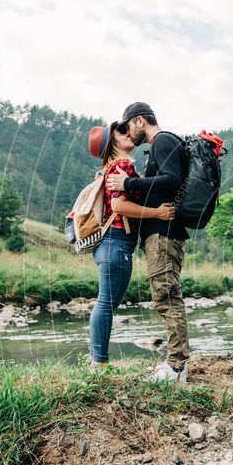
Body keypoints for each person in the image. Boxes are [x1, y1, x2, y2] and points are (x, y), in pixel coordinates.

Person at [106, 102, 190, 383]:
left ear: (139, 121)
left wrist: (127, 185)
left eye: (128, 126)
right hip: (163, 232)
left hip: (164, 233)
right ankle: (177, 367)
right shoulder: (163, 144)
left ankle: (176, 367)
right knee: (165, 296)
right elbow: (165, 182)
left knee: (167, 297)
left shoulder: (162, 141)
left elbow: (170, 180)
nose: (129, 133)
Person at [87, 121, 176, 369]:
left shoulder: (109, 169)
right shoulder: (122, 166)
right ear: (111, 143)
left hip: (109, 244)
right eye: (121, 132)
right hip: (116, 242)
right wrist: (157, 213)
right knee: (106, 303)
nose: (128, 133)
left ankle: (95, 359)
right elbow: (119, 206)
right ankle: (99, 363)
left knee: (106, 302)